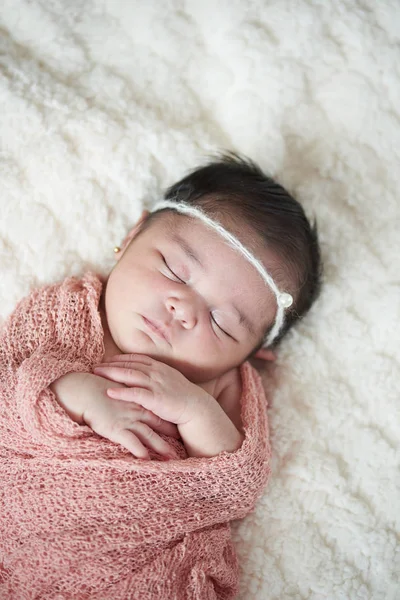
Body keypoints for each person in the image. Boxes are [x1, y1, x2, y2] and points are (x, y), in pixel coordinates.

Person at [8, 153, 323, 461]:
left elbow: (233, 485)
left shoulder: (219, 388)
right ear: (132, 237)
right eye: (174, 271)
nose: (183, 310)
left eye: (221, 323)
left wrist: (194, 411)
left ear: (255, 353)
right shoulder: (66, 308)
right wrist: (77, 397)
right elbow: (9, 383)